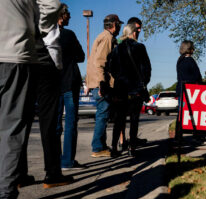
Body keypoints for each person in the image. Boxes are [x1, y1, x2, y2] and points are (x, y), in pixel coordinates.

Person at [0, 0, 72, 199]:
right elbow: (51, 4)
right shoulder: (61, 34)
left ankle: (18, 177)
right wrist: (35, 26)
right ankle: (6, 195)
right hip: (15, 52)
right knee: (12, 128)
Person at [106, 22, 151, 157]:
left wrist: (119, 78)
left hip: (120, 88)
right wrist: (143, 82)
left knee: (119, 119)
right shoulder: (140, 47)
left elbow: (110, 67)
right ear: (134, 33)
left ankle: (114, 147)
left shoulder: (117, 49)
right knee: (134, 119)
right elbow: (147, 69)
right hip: (135, 89)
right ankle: (132, 147)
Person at [86, 14, 123, 157]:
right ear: (113, 24)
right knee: (102, 114)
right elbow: (100, 62)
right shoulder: (107, 38)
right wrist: (102, 84)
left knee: (103, 113)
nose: (119, 27)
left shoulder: (104, 37)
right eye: (118, 24)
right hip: (101, 83)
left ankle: (101, 145)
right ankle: (97, 147)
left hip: (97, 82)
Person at [56, 4, 86, 170]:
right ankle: (67, 161)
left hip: (52, 85)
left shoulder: (45, 35)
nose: (70, 17)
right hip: (69, 82)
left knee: (55, 124)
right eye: (68, 13)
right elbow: (81, 57)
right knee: (70, 122)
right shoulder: (69, 34)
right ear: (62, 15)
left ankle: (53, 161)